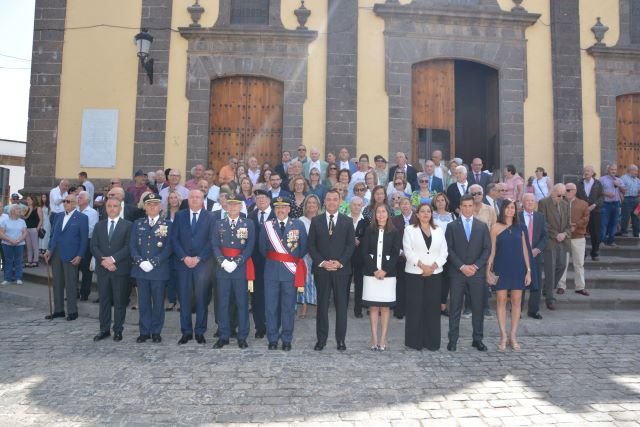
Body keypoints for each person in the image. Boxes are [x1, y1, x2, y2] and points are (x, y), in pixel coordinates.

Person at [308, 189, 356, 351]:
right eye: (328, 199)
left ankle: (340, 340)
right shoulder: (316, 221)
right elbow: (311, 246)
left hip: (341, 271)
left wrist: (339, 262)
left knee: (341, 306)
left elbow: (350, 246)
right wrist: (322, 262)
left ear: (340, 201)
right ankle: (321, 340)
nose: (332, 202)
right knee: (322, 306)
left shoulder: (347, 221)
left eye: (335, 199)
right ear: (325, 202)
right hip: (322, 270)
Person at [259, 197, 308, 351]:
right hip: (271, 272)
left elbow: (303, 247)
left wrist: (290, 261)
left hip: (290, 273)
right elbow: (262, 249)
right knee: (271, 307)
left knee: (288, 308)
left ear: (289, 209)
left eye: (283, 207)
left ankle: (287, 339)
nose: (280, 210)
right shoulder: (267, 226)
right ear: (274, 210)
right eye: (277, 208)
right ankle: (272, 338)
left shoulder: (298, 225)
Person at [445, 195, 491, 352]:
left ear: (474, 207)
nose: (467, 208)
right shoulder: (452, 226)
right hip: (457, 273)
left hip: (476, 274)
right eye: (464, 206)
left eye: (470, 205)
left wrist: (476, 266)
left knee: (478, 308)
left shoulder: (482, 226)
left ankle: (477, 339)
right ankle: (453, 340)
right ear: (460, 207)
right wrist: (462, 266)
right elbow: (448, 249)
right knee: (455, 307)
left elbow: (487, 249)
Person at [486, 199, 532, 352]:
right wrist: (488, 270)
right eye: (508, 208)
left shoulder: (521, 227)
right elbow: (492, 251)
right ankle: (503, 336)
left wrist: (529, 271)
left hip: (518, 268)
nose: (510, 210)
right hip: (501, 267)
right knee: (500, 300)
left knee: (517, 301)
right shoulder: (495, 227)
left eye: (513, 208)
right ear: (503, 210)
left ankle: (513, 336)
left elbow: (526, 250)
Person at [171, 190, 216, 345]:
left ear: (203, 199)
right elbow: (174, 239)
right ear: (188, 199)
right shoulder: (180, 215)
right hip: (183, 264)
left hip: (202, 265)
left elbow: (212, 241)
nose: (195, 199)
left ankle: (200, 332)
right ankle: (186, 332)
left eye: (198, 197)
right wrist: (184, 257)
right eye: (192, 197)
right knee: (184, 299)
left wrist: (198, 258)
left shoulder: (210, 217)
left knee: (202, 299)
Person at [402, 202, 448, 351]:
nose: (426, 214)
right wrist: (422, 266)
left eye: (428, 211)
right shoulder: (409, 230)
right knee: (415, 307)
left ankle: (432, 341)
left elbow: (444, 252)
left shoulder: (438, 230)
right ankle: (414, 342)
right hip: (415, 273)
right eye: (422, 211)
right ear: (417, 214)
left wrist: (433, 267)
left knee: (432, 308)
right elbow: (408, 251)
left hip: (434, 274)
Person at [212, 195, 256, 349]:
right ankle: (223, 336)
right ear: (226, 206)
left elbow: (250, 245)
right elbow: (215, 245)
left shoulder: (248, 223)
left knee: (242, 303)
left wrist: (237, 261)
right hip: (222, 268)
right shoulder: (219, 224)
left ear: (240, 207)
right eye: (229, 205)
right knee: (222, 303)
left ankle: (242, 336)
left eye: (235, 205)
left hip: (240, 268)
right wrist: (222, 261)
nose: (232, 208)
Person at [129, 193, 173, 343]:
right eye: (149, 204)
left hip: (159, 270)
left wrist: (154, 262)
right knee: (144, 302)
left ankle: (156, 331)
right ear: (145, 207)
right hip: (141, 270)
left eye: (155, 204)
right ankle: (144, 331)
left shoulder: (167, 225)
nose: (152, 207)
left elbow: (169, 248)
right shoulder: (138, 223)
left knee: (158, 303)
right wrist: (140, 261)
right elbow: (132, 245)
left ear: (160, 207)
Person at [357, 203, 400, 351]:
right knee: (374, 307)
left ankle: (383, 338)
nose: (381, 215)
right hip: (371, 274)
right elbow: (364, 252)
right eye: (378, 212)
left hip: (388, 276)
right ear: (374, 215)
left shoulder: (394, 232)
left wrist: (385, 271)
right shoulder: (369, 231)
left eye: (384, 212)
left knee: (385, 308)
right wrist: (375, 270)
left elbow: (395, 254)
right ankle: (374, 336)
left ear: (388, 214)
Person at [90, 197, 132, 342]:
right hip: (103, 270)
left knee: (119, 301)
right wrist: (104, 261)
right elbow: (94, 246)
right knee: (104, 301)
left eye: (115, 206)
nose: (112, 208)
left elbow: (128, 247)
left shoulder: (128, 225)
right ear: (105, 208)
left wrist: (113, 260)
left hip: (119, 269)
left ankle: (118, 330)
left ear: (120, 208)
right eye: (109, 206)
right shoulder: (99, 226)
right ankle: (104, 329)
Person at [44, 194, 89, 321]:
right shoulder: (58, 216)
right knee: (57, 282)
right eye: (64, 201)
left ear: (75, 203)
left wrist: (80, 255)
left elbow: (84, 240)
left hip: (71, 254)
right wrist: (49, 249)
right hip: (56, 253)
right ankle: (59, 310)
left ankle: (72, 311)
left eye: (68, 201)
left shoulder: (82, 218)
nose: (65, 203)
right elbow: (53, 235)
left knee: (71, 283)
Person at [537, 184, 571, 311]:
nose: (561, 198)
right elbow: (543, 222)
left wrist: (565, 234)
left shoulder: (565, 205)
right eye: (559, 195)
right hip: (550, 241)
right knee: (550, 270)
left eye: (563, 195)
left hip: (562, 241)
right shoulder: (543, 203)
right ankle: (550, 299)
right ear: (553, 192)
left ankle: (547, 288)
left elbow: (568, 223)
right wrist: (555, 234)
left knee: (562, 266)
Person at [247, 189, 274, 338]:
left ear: (270, 200)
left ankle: (273, 326)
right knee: (257, 297)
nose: (261, 200)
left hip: (273, 263)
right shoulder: (250, 217)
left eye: (264, 197)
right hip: (255, 264)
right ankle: (260, 327)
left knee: (273, 296)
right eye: (258, 198)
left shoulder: (277, 215)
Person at [557, 183, 591, 297]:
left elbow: (586, 217)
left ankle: (580, 287)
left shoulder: (583, 204)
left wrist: (576, 225)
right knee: (563, 263)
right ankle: (561, 286)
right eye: (565, 190)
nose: (566, 192)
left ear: (575, 191)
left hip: (578, 237)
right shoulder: (560, 202)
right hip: (564, 238)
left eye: (568, 190)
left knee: (579, 263)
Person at [519, 193, 547, 320]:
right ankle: (517, 309)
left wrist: (538, 249)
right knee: (519, 283)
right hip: (519, 255)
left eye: (532, 200)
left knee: (536, 283)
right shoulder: (517, 217)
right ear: (523, 203)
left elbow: (544, 236)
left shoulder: (540, 217)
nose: (530, 203)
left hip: (536, 255)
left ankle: (533, 310)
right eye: (527, 200)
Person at [432, 193, 455, 316]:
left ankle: (443, 306)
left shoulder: (452, 216)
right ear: (435, 203)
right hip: (433, 251)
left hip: (448, 252)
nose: (440, 202)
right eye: (438, 200)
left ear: (446, 202)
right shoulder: (431, 215)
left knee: (445, 280)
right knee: (434, 279)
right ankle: (433, 306)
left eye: (442, 200)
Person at [297, 194, 320, 319]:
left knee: (318, 281)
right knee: (304, 281)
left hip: (319, 256)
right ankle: (304, 307)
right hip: (304, 256)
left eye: (314, 203)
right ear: (306, 205)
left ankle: (318, 307)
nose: (311, 205)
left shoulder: (322, 219)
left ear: (318, 206)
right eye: (309, 203)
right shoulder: (300, 220)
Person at [577, 165, 604, 260]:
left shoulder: (598, 183)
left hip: (595, 211)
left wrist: (594, 205)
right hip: (582, 212)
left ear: (592, 173)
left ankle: (595, 253)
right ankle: (582, 253)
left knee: (595, 233)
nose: (586, 172)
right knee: (581, 232)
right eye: (585, 171)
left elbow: (601, 197)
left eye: (588, 171)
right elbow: (576, 197)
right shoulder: (579, 183)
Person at [77, 191, 99, 301]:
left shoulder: (92, 212)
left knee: (86, 269)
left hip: (86, 242)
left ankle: (85, 293)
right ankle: (74, 292)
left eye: (80, 197)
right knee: (73, 269)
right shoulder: (74, 210)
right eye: (78, 197)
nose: (78, 198)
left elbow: (91, 229)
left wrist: (77, 231)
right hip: (74, 242)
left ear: (87, 200)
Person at [348, 196, 367, 317]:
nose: (356, 207)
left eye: (359, 205)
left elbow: (369, 238)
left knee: (359, 284)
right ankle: (342, 307)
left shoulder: (366, 221)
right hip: (346, 257)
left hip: (360, 257)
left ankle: (358, 310)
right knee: (344, 283)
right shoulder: (344, 219)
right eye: (354, 204)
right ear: (350, 205)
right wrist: (351, 240)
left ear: (362, 206)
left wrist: (360, 241)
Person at [164, 190, 182, 311]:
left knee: (180, 276)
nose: (173, 200)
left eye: (175, 197)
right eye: (171, 198)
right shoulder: (163, 214)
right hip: (167, 248)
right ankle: (171, 300)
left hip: (180, 248)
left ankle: (181, 301)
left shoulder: (184, 213)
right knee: (170, 275)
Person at [0, 205, 28, 285]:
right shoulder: (5, 221)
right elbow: (1, 233)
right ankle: (7, 278)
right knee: (8, 261)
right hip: (7, 244)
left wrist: (18, 240)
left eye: (19, 209)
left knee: (18, 261)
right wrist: (10, 240)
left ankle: (18, 278)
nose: (19, 210)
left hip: (19, 244)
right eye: (17, 209)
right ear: (11, 211)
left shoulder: (22, 221)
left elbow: (25, 232)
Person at [22, 195, 43, 268]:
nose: (27, 201)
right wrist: (29, 209)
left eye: (29, 200)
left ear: (33, 200)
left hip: (34, 228)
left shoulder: (38, 208)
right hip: (27, 229)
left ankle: (35, 261)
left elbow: (41, 219)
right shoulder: (26, 208)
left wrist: (37, 228)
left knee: (35, 245)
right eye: (27, 200)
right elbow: (25, 217)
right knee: (28, 246)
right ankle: (29, 260)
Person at [620, 164, 639, 237]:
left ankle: (636, 233)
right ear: (630, 170)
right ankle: (624, 232)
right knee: (625, 216)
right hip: (627, 199)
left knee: (636, 216)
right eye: (635, 171)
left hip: (636, 199)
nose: (637, 172)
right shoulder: (623, 178)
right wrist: (622, 199)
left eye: (637, 171)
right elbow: (619, 190)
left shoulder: (637, 179)